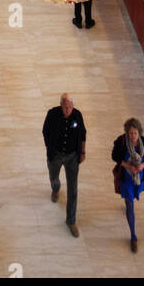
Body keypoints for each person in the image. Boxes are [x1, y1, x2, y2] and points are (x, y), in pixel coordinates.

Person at [42, 92, 87, 238]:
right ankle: (56, 189)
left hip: (72, 157)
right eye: (65, 107)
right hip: (55, 156)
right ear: (61, 105)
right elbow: (45, 131)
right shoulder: (52, 114)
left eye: (70, 107)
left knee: (73, 189)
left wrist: (83, 152)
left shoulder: (77, 116)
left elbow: (83, 134)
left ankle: (71, 221)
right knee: (53, 177)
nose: (68, 110)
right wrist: (50, 148)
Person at [111, 117, 144, 253]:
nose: (133, 136)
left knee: (131, 200)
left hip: (139, 177)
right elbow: (114, 156)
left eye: (135, 133)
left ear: (139, 133)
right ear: (127, 133)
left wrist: (141, 165)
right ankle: (133, 236)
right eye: (130, 133)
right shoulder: (122, 142)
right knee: (130, 204)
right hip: (126, 179)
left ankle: (128, 205)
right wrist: (127, 165)